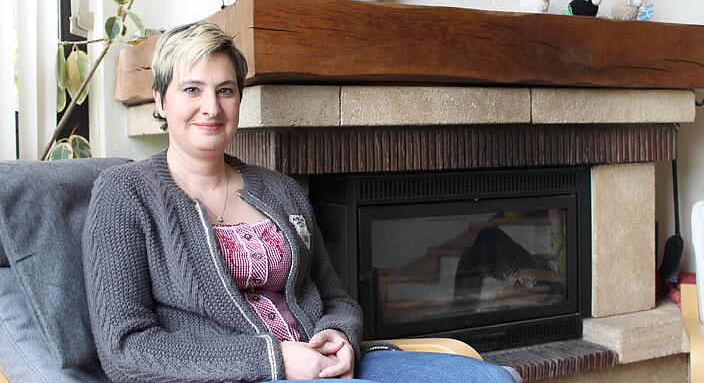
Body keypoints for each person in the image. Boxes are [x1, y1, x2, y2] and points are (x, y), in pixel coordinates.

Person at [82, 22, 519, 383]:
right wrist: (275, 362)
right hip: (236, 376)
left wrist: (339, 336)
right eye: (192, 90)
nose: (211, 107)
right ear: (160, 100)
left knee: (494, 379)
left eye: (226, 90)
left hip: (330, 367)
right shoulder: (124, 194)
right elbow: (127, 349)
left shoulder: (280, 190)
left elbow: (336, 298)